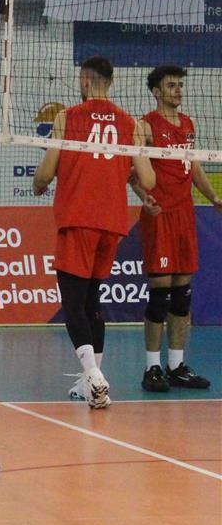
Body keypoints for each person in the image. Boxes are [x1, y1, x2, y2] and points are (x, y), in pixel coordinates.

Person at [32, 55, 155, 408]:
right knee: (92, 303)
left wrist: (39, 184)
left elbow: (46, 172)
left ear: (85, 80)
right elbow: (149, 180)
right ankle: (90, 382)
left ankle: (94, 376)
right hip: (111, 224)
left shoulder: (67, 117)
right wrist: (122, 171)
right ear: (111, 82)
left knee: (74, 305)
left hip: (77, 219)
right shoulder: (131, 123)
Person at [134, 65, 219, 392]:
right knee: (160, 294)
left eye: (180, 85)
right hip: (160, 216)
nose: (178, 90)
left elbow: (193, 166)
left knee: (182, 295)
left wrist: (213, 197)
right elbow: (131, 171)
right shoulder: (145, 126)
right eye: (171, 86)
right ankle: (151, 368)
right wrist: (144, 198)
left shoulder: (188, 124)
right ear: (156, 92)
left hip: (184, 216)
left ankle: (176, 366)